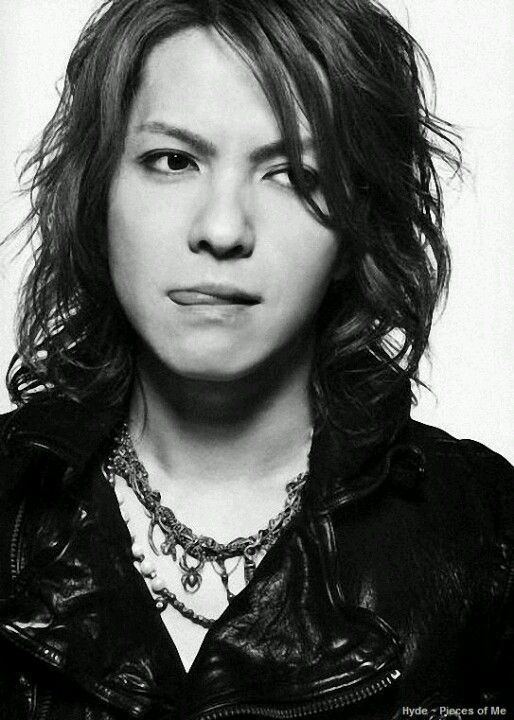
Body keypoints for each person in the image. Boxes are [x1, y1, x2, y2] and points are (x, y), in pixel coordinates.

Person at [0, 0, 512, 718]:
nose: (221, 229)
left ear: (358, 225)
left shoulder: (484, 531)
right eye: (173, 161)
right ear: (97, 197)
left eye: (292, 174)